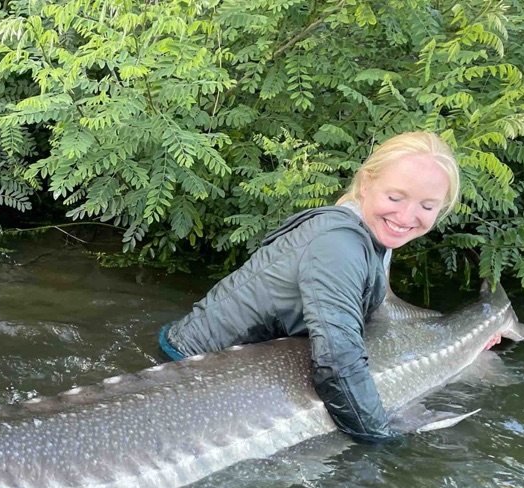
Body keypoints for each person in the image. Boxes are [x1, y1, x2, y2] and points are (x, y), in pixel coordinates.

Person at [160, 131, 461, 444]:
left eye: (427, 206)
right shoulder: (337, 245)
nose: (406, 216)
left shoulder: (376, 230)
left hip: (253, 365)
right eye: (395, 198)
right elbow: (337, 361)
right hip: (192, 366)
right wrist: (380, 438)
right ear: (367, 183)